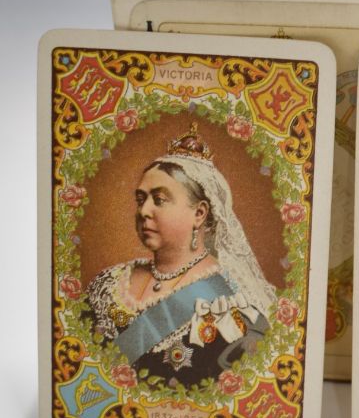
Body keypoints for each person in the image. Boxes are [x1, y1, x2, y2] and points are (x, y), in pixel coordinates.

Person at [86, 123, 276, 387]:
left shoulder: (232, 308)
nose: (143, 211)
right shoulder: (108, 284)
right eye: (141, 199)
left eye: (159, 199)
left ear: (199, 213)